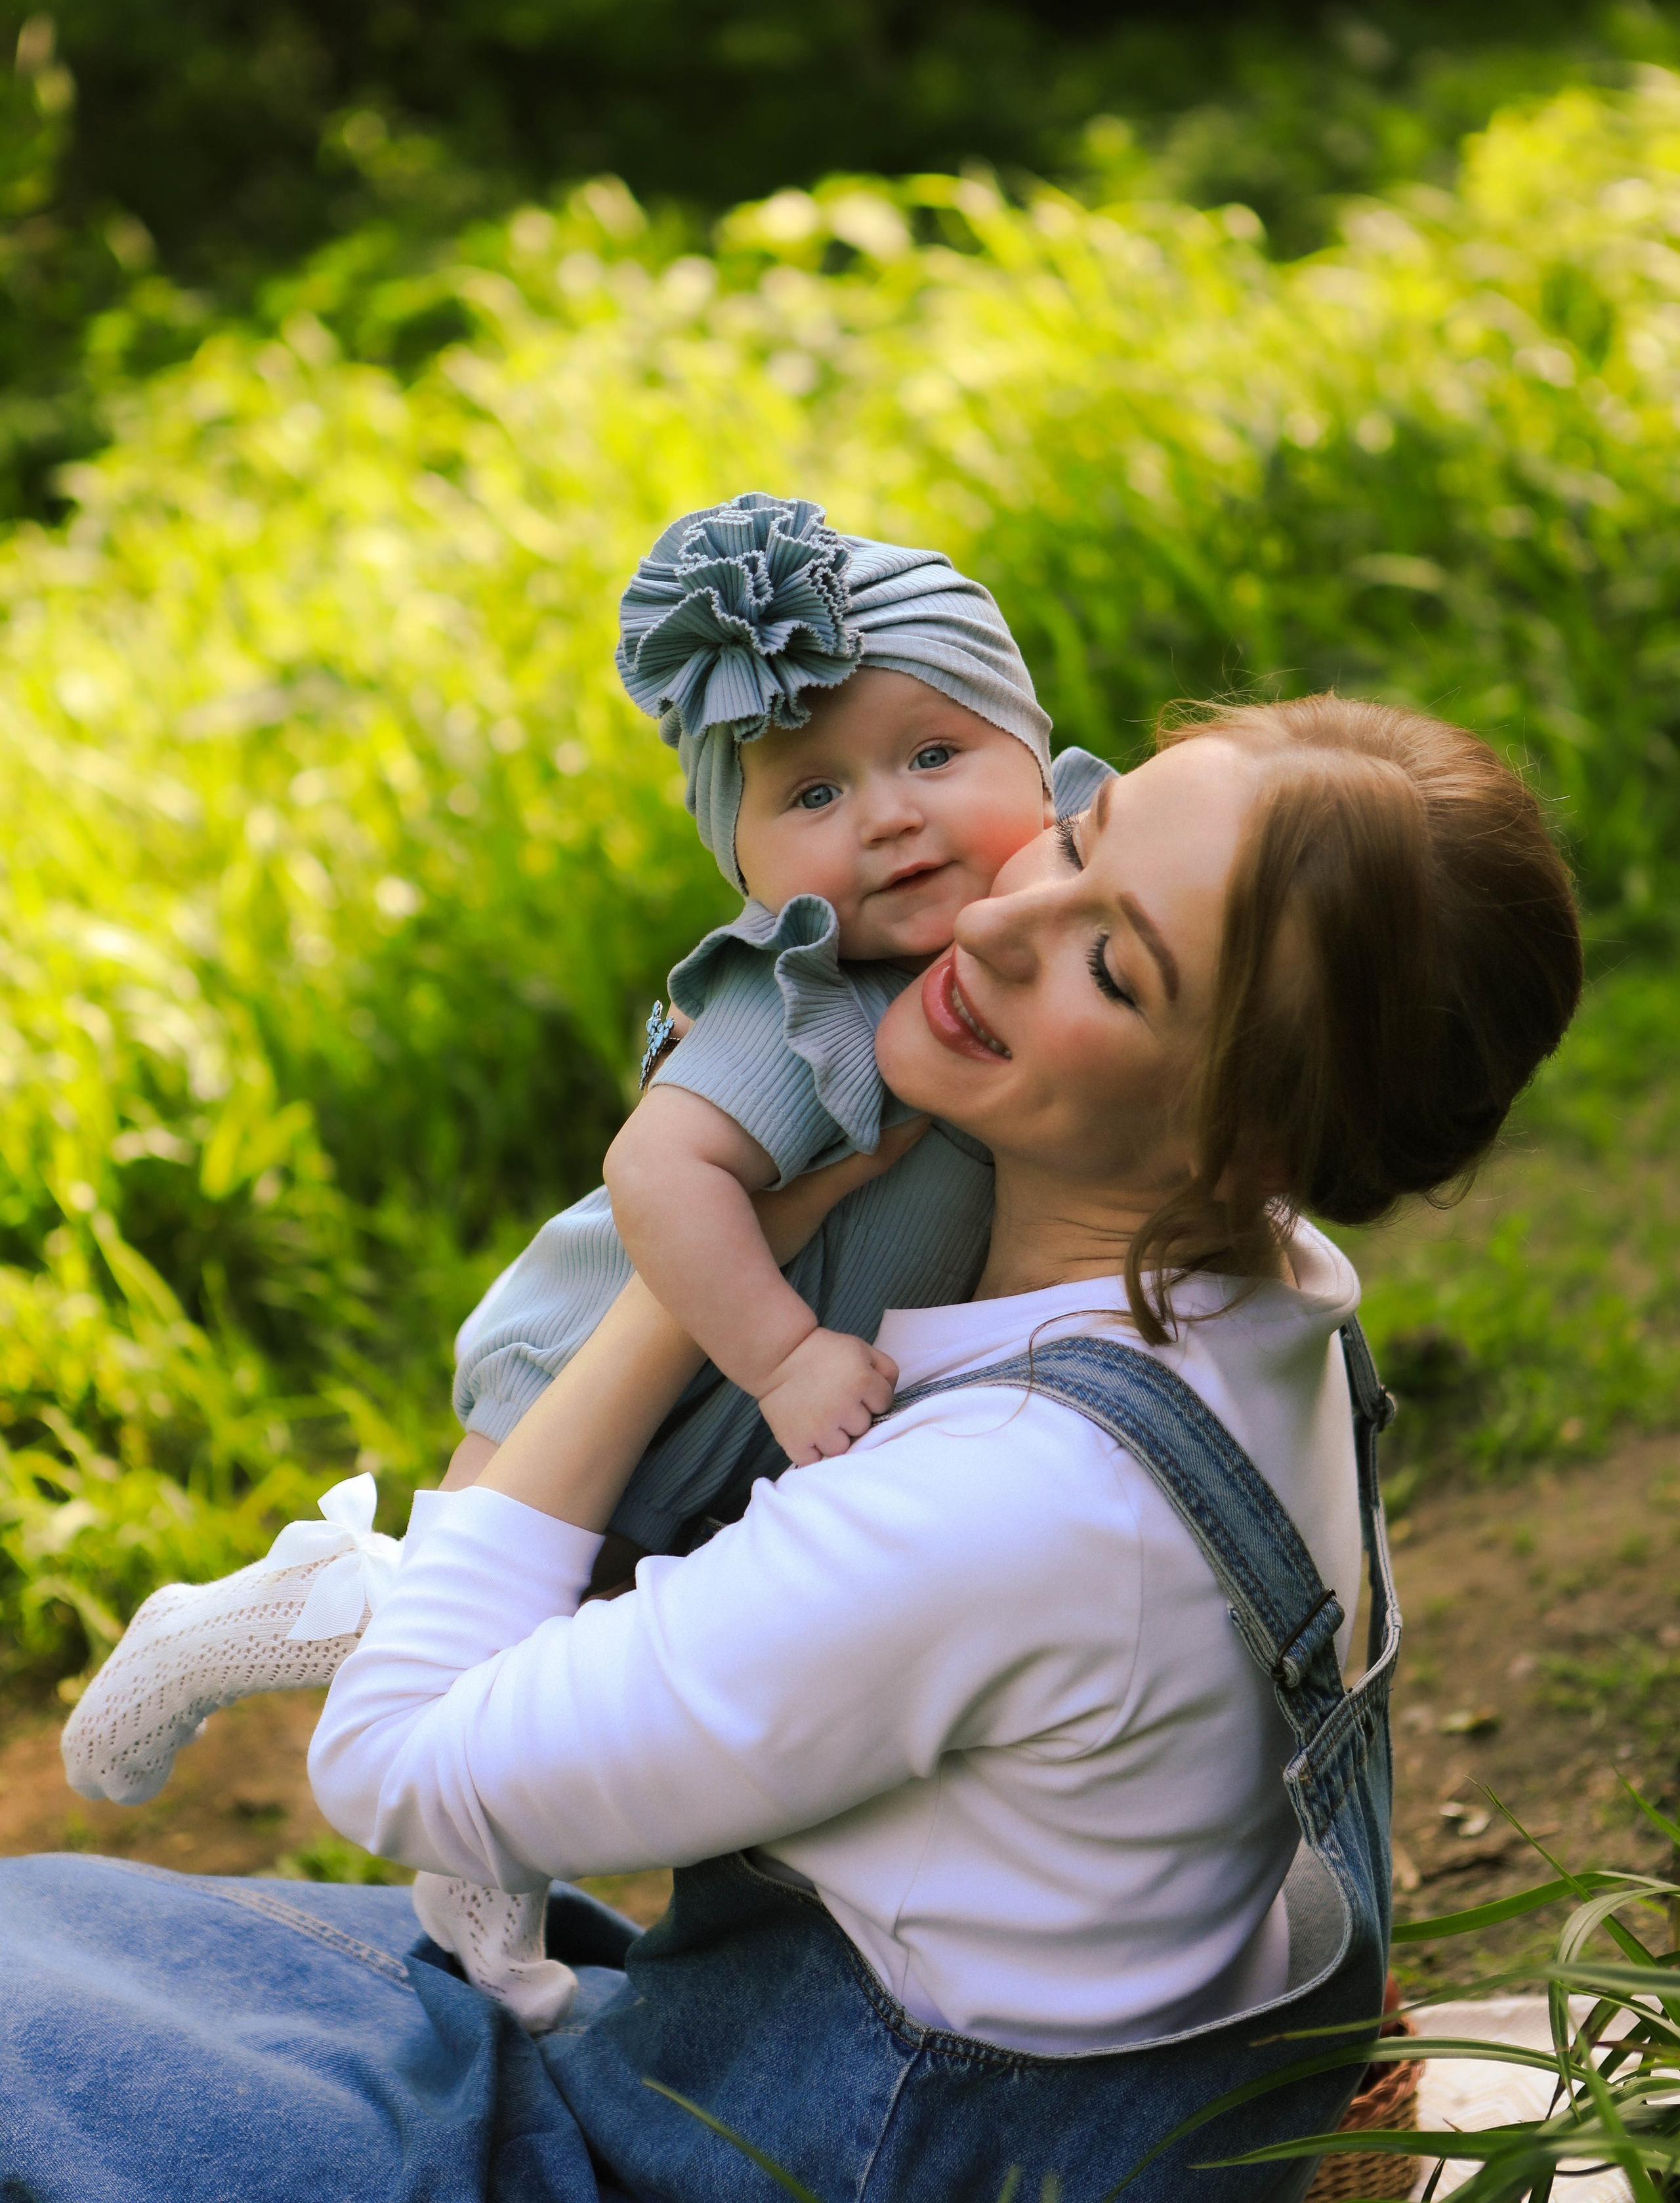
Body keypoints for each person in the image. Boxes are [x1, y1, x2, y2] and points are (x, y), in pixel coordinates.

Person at [5, 692, 1582, 2203]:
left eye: (1109, 964)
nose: (983, 925)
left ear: (1243, 1132)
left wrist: (683, 1280)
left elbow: (397, 1758)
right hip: (859, 2079)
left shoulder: (1012, 1503)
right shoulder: (1279, 1297)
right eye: (1079, 836)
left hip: (712, 2163)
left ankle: (341, 1602)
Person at [60, 488, 1110, 2019]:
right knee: (483, 1602)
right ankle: (270, 1625)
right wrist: (780, 1352)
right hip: (632, 1344)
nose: (887, 815)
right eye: (810, 796)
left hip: (756, 1385)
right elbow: (657, 1167)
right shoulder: (796, 998)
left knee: (562, 1639)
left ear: (1036, 753)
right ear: (742, 859)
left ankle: (480, 1848)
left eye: (934, 756)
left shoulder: (1047, 910)